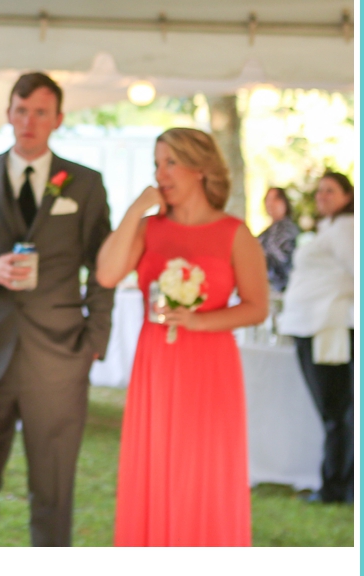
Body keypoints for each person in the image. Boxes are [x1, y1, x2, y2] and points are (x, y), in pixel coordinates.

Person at [0, 72, 113, 547]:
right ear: (9, 113)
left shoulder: (86, 184)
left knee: (53, 494)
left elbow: (103, 266)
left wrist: (95, 339)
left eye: (40, 112)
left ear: (58, 119)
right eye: (20, 110)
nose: (28, 121)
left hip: (60, 356)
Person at [96, 128, 269, 545]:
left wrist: (199, 323)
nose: (162, 174)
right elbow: (105, 273)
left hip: (210, 367)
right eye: (157, 164)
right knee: (155, 462)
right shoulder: (149, 229)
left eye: (170, 162)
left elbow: (257, 306)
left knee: (203, 466)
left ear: (201, 168)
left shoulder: (235, 233)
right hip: (155, 362)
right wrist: (137, 208)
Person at [278, 171, 354, 504]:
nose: (323, 195)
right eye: (320, 190)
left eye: (331, 190)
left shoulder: (347, 228)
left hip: (326, 327)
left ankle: (336, 486)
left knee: (336, 411)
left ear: (348, 196)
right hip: (311, 325)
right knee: (335, 412)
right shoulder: (329, 228)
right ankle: (336, 484)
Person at [258, 186, 300, 293]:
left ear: (284, 202)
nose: (271, 203)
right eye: (268, 199)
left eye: (276, 199)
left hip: (285, 288)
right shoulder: (265, 233)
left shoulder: (289, 229)